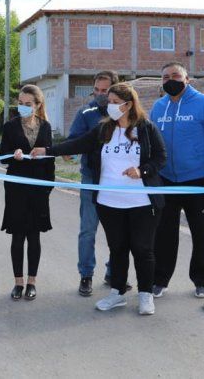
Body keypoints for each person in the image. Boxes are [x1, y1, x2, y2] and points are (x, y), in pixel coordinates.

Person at [29, 82, 166, 315]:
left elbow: (160, 158)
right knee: (118, 248)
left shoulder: (145, 128)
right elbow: (78, 144)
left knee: (143, 249)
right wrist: (47, 150)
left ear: (129, 104)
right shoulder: (104, 129)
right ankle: (117, 293)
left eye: (114, 102)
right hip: (109, 202)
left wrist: (142, 171)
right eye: (108, 102)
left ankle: (145, 295)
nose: (109, 106)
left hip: (141, 203)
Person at [150, 62, 204, 299]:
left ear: (187, 79)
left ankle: (203, 280)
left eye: (175, 75)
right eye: (165, 77)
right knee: (163, 234)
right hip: (166, 180)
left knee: (202, 233)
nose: (170, 80)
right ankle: (159, 279)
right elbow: (151, 142)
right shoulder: (158, 106)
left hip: (198, 180)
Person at [68, 71, 133, 296]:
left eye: (105, 91)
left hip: (119, 182)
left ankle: (114, 273)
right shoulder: (86, 112)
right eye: (96, 90)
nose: (99, 94)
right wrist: (70, 153)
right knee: (88, 230)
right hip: (92, 180)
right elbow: (73, 141)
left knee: (119, 232)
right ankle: (86, 275)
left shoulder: (130, 116)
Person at [0, 85, 55, 301]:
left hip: (39, 187)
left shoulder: (46, 126)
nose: (23, 107)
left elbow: (49, 158)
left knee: (34, 236)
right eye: (20, 104)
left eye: (28, 104)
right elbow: (2, 157)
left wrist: (48, 186)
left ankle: (32, 282)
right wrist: (13, 155)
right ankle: (18, 282)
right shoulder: (10, 126)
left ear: (38, 105)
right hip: (16, 189)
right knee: (17, 236)